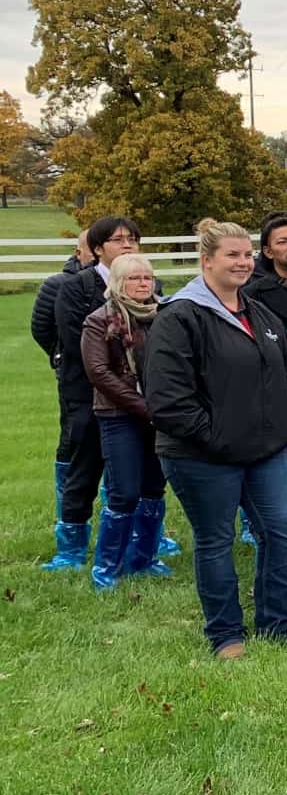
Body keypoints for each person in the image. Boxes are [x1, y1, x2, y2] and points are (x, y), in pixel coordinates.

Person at [145, 219, 287, 659]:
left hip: (264, 451)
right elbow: (167, 400)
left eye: (248, 254)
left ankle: (279, 624)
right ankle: (225, 635)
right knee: (216, 541)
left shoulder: (258, 312)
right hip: (201, 456)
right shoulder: (179, 317)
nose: (243, 262)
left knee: (283, 530)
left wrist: (286, 416)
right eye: (232, 254)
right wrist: (217, 438)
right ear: (206, 260)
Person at [45, 215, 143, 571]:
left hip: (136, 401)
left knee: (140, 471)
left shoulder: (149, 284)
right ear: (98, 248)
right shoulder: (74, 287)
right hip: (87, 393)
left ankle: (142, 543)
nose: (128, 245)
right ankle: (71, 547)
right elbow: (69, 340)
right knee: (84, 467)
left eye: (132, 239)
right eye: (119, 240)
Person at [79, 252, 171, 588]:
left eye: (147, 277)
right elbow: (99, 373)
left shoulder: (165, 315)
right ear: (118, 282)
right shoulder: (100, 320)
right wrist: (144, 406)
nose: (143, 283)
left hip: (160, 415)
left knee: (153, 488)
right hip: (118, 414)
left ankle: (144, 560)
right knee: (124, 492)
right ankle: (107, 569)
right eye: (134, 278)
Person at [32, 228, 92, 367]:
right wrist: (65, 355)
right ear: (79, 253)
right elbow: (41, 330)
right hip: (75, 369)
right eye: (93, 248)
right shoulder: (56, 285)